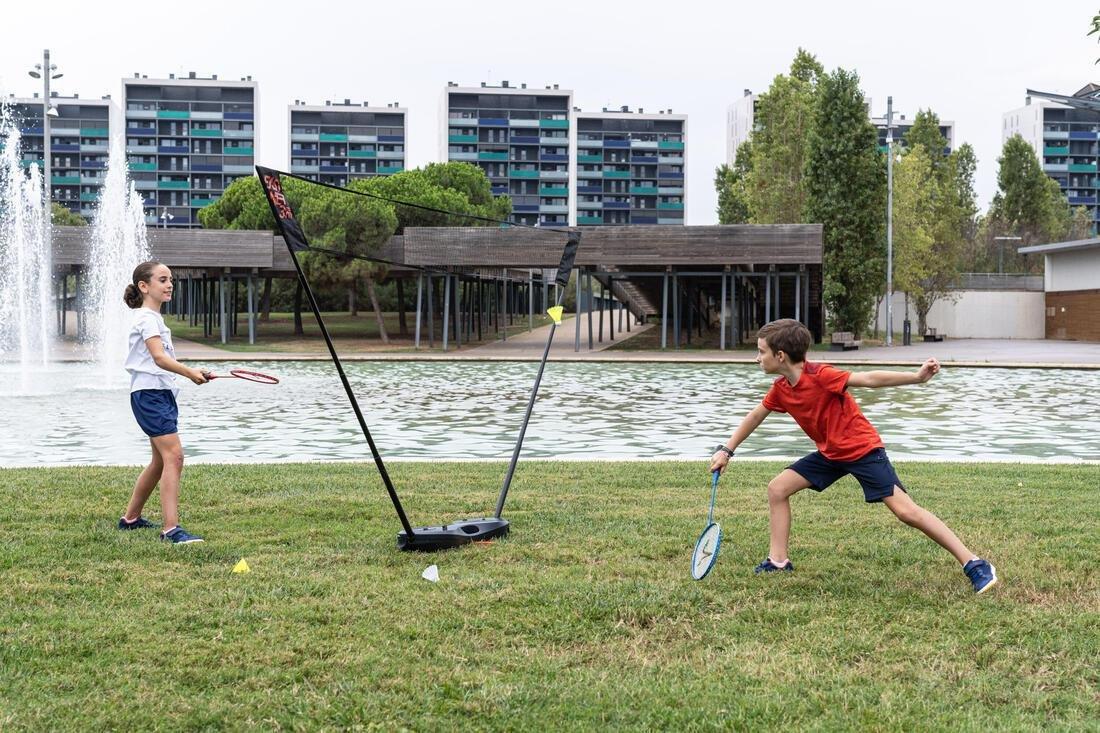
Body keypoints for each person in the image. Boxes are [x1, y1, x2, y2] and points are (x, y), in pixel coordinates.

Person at [709, 319, 996, 594]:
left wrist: (917, 378)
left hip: (862, 450)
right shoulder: (782, 389)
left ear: (780, 355)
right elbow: (756, 415)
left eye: (761, 352)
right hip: (830, 454)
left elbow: (869, 379)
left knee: (906, 511)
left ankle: (974, 563)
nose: (757, 358)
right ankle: (778, 561)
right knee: (778, 488)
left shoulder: (821, 376)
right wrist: (726, 450)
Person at [119, 261, 210, 545]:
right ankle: (171, 529)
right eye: (162, 279)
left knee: (160, 460)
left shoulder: (154, 319)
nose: (169, 284)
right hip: (150, 395)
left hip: (159, 394)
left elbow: (161, 361)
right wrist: (190, 373)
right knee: (175, 457)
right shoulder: (146, 318)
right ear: (144, 287)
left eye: (170, 279)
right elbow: (158, 358)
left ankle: (130, 519)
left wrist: (195, 372)